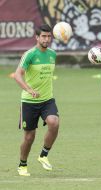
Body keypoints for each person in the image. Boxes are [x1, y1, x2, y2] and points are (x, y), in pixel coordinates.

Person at [14, 24, 59, 176]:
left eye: (48, 36)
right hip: (29, 101)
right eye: (44, 36)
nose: (46, 39)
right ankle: (22, 164)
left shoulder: (53, 54)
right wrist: (29, 89)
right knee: (29, 137)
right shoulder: (30, 55)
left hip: (47, 100)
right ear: (37, 37)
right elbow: (18, 74)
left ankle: (43, 155)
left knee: (54, 122)